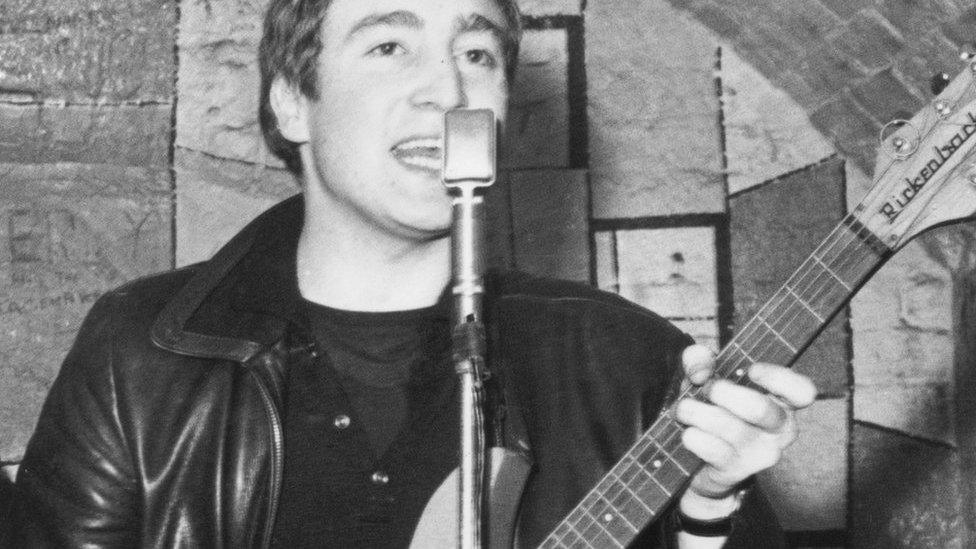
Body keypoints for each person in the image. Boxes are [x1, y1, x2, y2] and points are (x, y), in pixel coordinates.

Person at [8, 0, 817, 547]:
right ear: (293, 101)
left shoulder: (629, 360)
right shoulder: (143, 351)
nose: (448, 88)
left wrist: (710, 508)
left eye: (475, 51)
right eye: (391, 46)